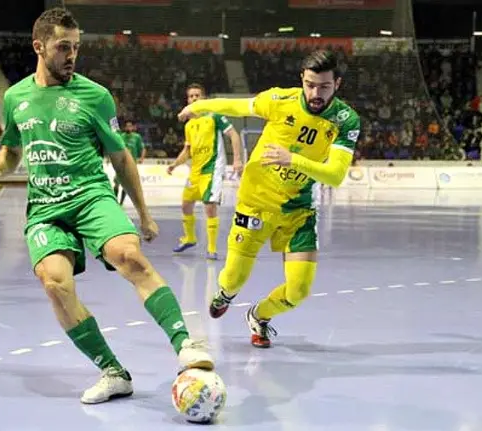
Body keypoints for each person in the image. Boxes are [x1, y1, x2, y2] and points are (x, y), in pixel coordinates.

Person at [0, 7, 213, 404]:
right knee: (54, 282)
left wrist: (144, 213)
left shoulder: (95, 96)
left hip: (90, 196)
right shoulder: (16, 96)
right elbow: (12, 148)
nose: (72, 55)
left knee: (129, 256)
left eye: (76, 47)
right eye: (63, 47)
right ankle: (113, 372)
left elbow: (121, 159)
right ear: (39, 46)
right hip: (46, 208)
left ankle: (185, 344)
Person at [177, 49, 361, 348]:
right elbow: (238, 107)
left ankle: (259, 316)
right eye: (310, 84)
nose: (315, 93)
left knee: (298, 290)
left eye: (324, 87)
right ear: (302, 79)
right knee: (234, 279)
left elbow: (336, 175)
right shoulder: (280, 100)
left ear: (337, 84)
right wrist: (202, 106)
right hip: (256, 204)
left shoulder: (345, 120)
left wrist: (294, 160)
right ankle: (225, 293)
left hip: (298, 209)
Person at [168, 84, 243, 260]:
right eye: (191, 96)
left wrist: (237, 160)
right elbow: (187, 151)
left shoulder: (215, 116)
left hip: (212, 169)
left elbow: (234, 135)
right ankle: (190, 238)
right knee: (186, 205)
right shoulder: (189, 125)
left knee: (210, 207)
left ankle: (211, 248)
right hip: (195, 171)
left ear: (204, 99)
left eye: (197, 96)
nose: (194, 99)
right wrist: (175, 164)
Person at [113, 119, 145, 205]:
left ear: (133, 127)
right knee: (116, 184)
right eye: (127, 126)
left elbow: (142, 148)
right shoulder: (121, 136)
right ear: (124, 127)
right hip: (120, 164)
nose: (128, 127)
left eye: (130, 126)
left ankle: (121, 203)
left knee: (126, 185)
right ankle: (115, 202)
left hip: (131, 165)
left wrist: (142, 158)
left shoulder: (137, 137)